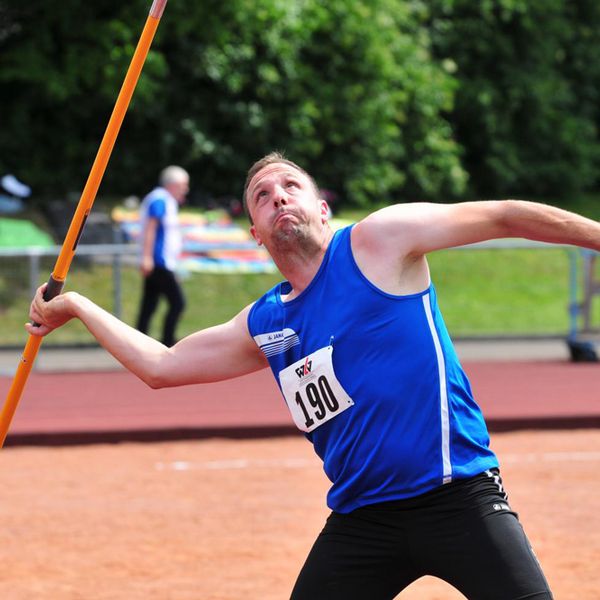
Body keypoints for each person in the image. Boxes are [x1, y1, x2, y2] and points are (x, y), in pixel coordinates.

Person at [28, 152, 600, 599]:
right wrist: (77, 305)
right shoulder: (265, 322)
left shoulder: (380, 241)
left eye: (290, 188)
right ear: (254, 230)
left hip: (459, 498)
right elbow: (162, 367)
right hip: (362, 519)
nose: (278, 198)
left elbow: (504, 216)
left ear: (321, 208)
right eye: (262, 196)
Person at [135, 165, 189, 347]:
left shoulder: (167, 201)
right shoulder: (160, 199)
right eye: (183, 185)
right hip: (158, 262)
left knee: (149, 304)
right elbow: (151, 228)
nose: (186, 189)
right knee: (178, 303)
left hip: (163, 262)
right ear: (172, 184)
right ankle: (167, 342)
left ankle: (137, 342)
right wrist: (147, 257)